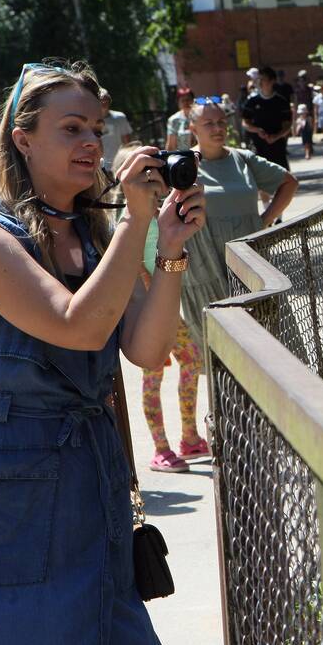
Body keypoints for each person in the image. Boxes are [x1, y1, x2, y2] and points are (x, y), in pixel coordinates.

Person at [0, 61, 206, 645]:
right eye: (72, 128)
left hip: (89, 481)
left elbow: (147, 349)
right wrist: (135, 222)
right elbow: (77, 327)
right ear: (22, 140)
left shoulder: (91, 230)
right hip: (2, 498)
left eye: (98, 129)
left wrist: (168, 250)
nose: (92, 143)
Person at [113, 143, 206, 474]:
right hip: (144, 308)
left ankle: (189, 436)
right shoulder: (125, 214)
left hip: (163, 304)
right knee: (155, 374)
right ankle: (161, 449)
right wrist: (154, 294)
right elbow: (135, 258)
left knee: (192, 360)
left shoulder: (155, 209)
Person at [181, 98, 298, 352]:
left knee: (271, 343)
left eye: (222, 122)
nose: (217, 128)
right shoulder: (183, 165)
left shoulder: (241, 159)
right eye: (209, 123)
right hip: (208, 270)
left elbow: (288, 183)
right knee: (226, 353)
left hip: (250, 264)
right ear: (193, 129)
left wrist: (264, 220)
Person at [240, 65, 292, 170]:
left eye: (263, 79)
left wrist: (276, 136)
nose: (259, 82)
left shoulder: (281, 102)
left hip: (278, 148)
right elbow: (245, 122)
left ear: (272, 81)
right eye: (258, 79)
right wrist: (257, 130)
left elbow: (287, 125)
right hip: (258, 149)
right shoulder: (252, 102)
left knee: (283, 181)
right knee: (260, 183)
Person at [99, 87, 132, 169]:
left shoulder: (120, 118)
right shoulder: (90, 120)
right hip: (100, 164)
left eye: (106, 100)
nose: (104, 103)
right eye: (101, 100)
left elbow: (127, 142)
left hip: (119, 162)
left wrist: (127, 158)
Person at [165, 85, 194, 151]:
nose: (186, 103)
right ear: (178, 103)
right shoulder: (174, 120)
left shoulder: (200, 116)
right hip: (183, 156)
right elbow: (171, 146)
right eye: (182, 100)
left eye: (188, 99)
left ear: (193, 100)